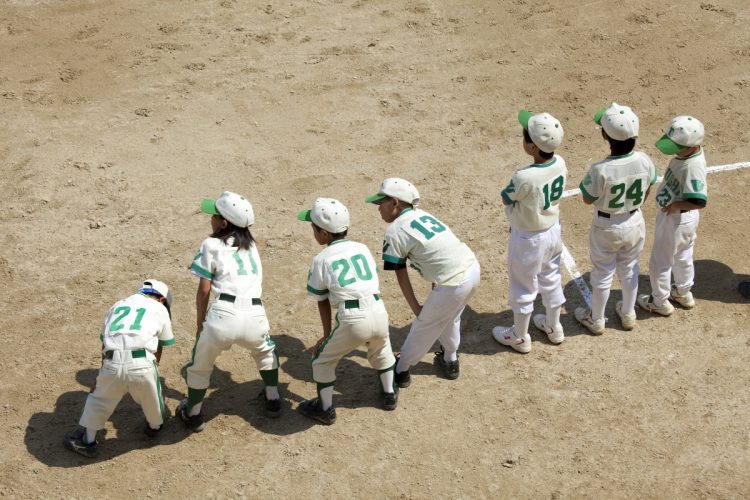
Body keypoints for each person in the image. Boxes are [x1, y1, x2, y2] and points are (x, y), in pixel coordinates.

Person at [179, 191, 281, 432]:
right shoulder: (253, 247)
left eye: (214, 215)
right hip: (256, 314)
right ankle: (274, 399)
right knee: (266, 353)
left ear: (224, 223)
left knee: (200, 363)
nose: (210, 219)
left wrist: (200, 323)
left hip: (224, 314)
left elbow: (204, 290)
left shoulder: (211, 244)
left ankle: (192, 412)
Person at [366, 178, 480, 386]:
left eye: (381, 202)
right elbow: (442, 249)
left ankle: (400, 370)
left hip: (453, 281)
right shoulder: (423, 214)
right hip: (471, 267)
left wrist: (417, 308)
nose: (378, 208)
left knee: (423, 327)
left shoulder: (395, 231)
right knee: (450, 316)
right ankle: (450, 360)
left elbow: (399, 272)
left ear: (395, 202)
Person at [296, 198, 397, 425]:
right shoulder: (361, 248)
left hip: (352, 319)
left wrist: (325, 334)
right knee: (382, 349)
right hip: (379, 309)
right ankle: (389, 394)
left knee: (322, 361)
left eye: (313, 227)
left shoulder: (321, 259)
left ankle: (325, 408)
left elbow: (321, 299)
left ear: (323, 234)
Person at [63, 279, 175, 457]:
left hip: (111, 361)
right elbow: (162, 343)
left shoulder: (116, 305)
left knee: (99, 400)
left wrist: (101, 375)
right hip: (142, 361)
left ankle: (87, 441)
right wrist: (154, 369)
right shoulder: (160, 309)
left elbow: (104, 344)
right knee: (152, 396)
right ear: (162, 299)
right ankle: (154, 427)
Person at [574, 103, 657, 334]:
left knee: (602, 273)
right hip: (635, 221)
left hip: (606, 226)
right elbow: (649, 186)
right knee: (630, 268)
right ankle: (629, 314)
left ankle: (597, 319)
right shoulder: (644, 160)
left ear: (605, 135)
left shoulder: (600, 169)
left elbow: (587, 199)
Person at [491, 110, 567, 353]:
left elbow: (506, 198)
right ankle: (554, 327)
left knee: (523, 286)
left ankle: (519, 337)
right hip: (553, 231)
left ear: (532, 147)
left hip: (528, 238)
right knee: (551, 278)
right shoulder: (561, 162)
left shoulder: (525, 176)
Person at [637, 116, 708, 315]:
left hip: (676, 219)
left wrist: (676, 205)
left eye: (679, 146)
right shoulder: (689, 155)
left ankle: (659, 301)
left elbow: (700, 200)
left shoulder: (692, 166)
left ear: (692, 145)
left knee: (661, 261)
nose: (675, 149)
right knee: (683, 256)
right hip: (685, 219)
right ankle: (683, 292)